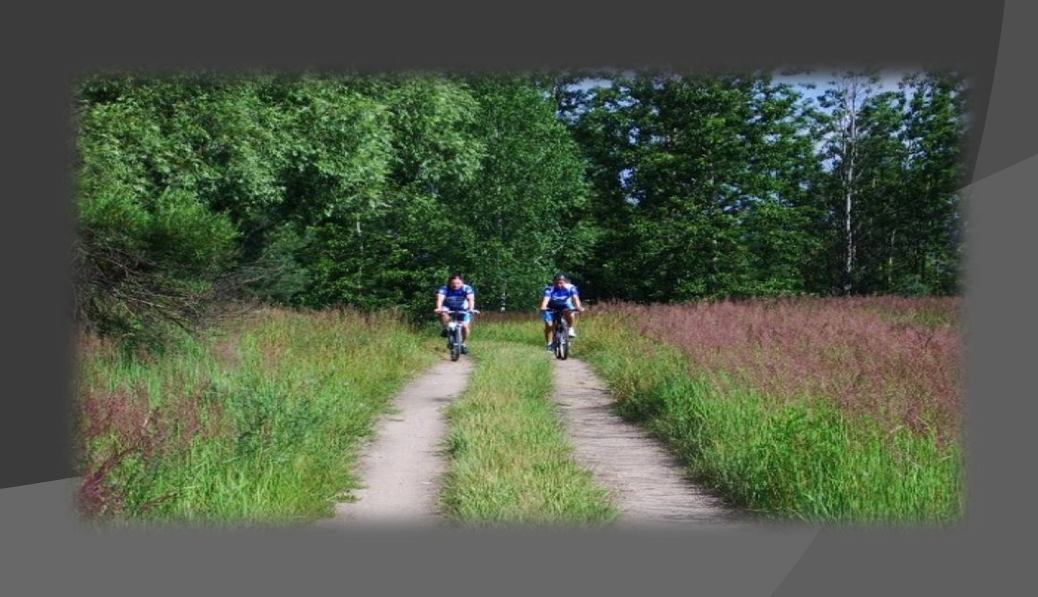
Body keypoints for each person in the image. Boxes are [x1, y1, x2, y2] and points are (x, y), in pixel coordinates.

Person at [539, 273, 584, 350]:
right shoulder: (549, 289)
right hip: (551, 306)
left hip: (565, 305)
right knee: (549, 325)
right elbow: (545, 300)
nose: (559, 285)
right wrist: (543, 307)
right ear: (553, 283)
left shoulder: (571, 288)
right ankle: (549, 344)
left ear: (565, 282)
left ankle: (570, 329)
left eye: (561, 283)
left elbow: (575, 299)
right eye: (556, 283)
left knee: (570, 311)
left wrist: (578, 306)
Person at [434, 273, 476, 354]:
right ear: (449, 283)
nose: (455, 285)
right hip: (448, 308)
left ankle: (463, 344)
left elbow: (471, 299)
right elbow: (440, 300)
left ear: (462, 283)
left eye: (458, 283)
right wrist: (439, 308)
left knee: (465, 327)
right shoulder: (444, 289)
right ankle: (446, 328)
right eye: (453, 283)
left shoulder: (467, 288)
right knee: (442, 312)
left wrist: (471, 309)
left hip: (463, 308)